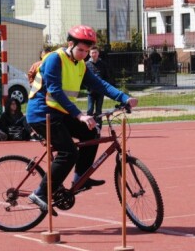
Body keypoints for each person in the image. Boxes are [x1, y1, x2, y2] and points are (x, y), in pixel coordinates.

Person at [26, 25, 138, 213]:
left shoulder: (80, 65)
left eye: (87, 51)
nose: (84, 55)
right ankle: (40, 192)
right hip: (42, 113)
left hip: (61, 112)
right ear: (70, 44)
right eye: (81, 50)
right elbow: (55, 91)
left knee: (92, 131)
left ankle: (80, 177)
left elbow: (99, 84)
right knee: (69, 152)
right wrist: (80, 115)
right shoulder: (55, 59)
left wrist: (124, 97)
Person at [86, 46, 110, 118]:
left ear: (98, 53)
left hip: (100, 91)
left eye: (95, 52)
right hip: (91, 92)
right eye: (92, 53)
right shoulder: (86, 64)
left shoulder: (103, 64)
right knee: (90, 110)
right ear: (89, 54)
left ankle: (98, 125)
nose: (94, 54)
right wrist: (87, 86)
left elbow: (106, 76)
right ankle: (88, 127)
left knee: (99, 111)